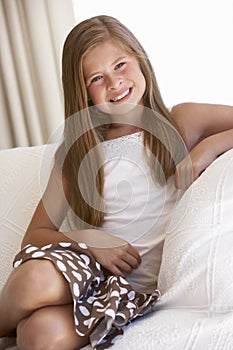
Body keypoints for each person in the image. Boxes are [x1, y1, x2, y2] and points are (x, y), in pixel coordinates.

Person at [0, 15, 233, 350]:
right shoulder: (78, 152)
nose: (114, 83)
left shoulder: (182, 121)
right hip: (88, 269)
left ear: (140, 60)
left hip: (131, 292)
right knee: (31, 281)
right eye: (97, 77)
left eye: (121, 65)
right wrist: (90, 241)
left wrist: (209, 148)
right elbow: (33, 238)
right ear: (83, 90)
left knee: (38, 336)